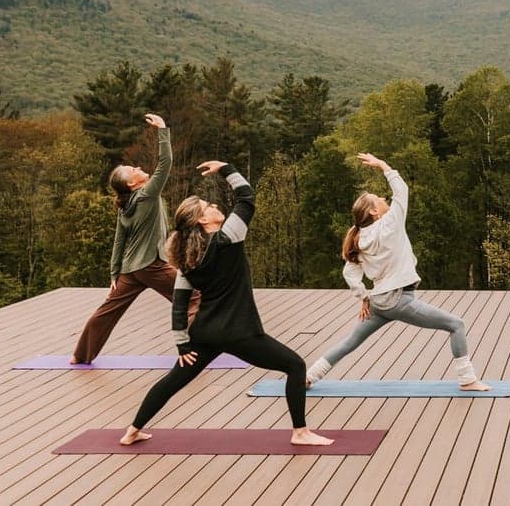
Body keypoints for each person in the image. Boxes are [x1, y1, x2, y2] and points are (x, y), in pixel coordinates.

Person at [120, 160, 331, 447]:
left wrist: (182, 344)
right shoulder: (227, 238)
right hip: (240, 333)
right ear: (202, 221)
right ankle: (300, 432)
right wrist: (226, 168)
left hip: (205, 333)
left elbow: (179, 303)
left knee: (174, 380)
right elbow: (246, 197)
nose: (215, 206)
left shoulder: (188, 257)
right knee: (296, 366)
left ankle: (132, 430)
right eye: (208, 206)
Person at [305, 153, 490, 391]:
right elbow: (401, 190)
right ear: (374, 212)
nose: (383, 199)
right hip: (399, 300)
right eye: (378, 199)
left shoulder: (358, 237)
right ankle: (467, 379)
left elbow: (350, 274)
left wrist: (363, 297)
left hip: (378, 302)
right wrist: (383, 166)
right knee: (456, 325)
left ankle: (308, 377)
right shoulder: (390, 223)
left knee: (350, 341)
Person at [71, 113, 199, 364]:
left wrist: (114, 273)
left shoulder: (125, 205)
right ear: (131, 184)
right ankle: (195, 350)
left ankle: (80, 355)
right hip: (152, 265)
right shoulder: (146, 195)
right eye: (134, 171)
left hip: (131, 269)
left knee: (108, 311)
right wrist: (162, 130)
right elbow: (165, 163)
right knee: (194, 297)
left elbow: (119, 241)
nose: (139, 168)